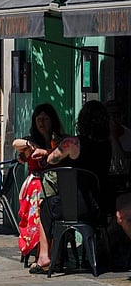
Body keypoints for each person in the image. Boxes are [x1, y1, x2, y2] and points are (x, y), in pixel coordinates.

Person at [31, 100, 111, 274]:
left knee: (46, 205)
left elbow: (52, 159)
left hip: (76, 207)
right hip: (99, 206)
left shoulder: (72, 144)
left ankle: (44, 255)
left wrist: (50, 151)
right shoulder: (107, 144)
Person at [11, 103, 66, 267]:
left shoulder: (59, 141)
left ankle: (52, 251)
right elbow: (15, 143)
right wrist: (29, 146)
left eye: (45, 119)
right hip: (36, 184)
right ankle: (43, 252)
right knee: (39, 195)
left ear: (52, 121)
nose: (41, 123)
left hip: (57, 184)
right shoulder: (31, 141)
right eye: (38, 119)